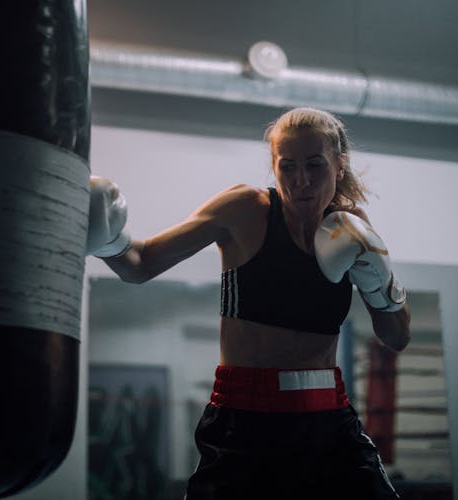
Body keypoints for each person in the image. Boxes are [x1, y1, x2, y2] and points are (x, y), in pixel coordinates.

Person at [86, 107, 411, 499]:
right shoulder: (245, 211)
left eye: (314, 165)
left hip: (327, 418)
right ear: (273, 166)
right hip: (245, 422)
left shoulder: (351, 226)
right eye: (287, 166)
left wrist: (382, 278)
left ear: (339, 166)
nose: (301, 181)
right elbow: (139, 264)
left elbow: (396, 337)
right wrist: (108, 239)